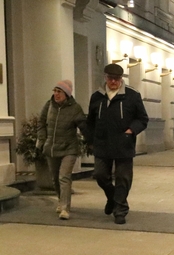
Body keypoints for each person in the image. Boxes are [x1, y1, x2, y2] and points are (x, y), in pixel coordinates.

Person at [86, 63, 148, 225]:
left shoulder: (132, 95)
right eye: (110, 78)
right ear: (105, 78)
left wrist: (131, 131)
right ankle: (112, 197)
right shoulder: (97, 96)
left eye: (117, 79)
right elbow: (90, 121)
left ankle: (120, 210)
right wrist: (90, 140)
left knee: (123, 178)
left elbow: (142, 119)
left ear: (121, 79)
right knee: (100, 175)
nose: (113, 82)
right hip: (102, 144)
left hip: (123, 144)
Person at [36, 79, 88, 220]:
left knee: (64, 177)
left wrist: (91, 140)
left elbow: (84, 126)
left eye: (59, 92)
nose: (56, 94)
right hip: (51, 148)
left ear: (67, 94)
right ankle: (61, 200)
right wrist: (42, 140)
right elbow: (41, 123)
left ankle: (65, 208)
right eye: (55, 91)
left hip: (69, 148)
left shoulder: (75, 108)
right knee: (55, 179)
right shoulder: (49, 105)